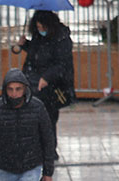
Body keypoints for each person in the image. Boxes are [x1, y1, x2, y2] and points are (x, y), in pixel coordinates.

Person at [14, 10, 75, 153]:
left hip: (52, 85)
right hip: (34, 82)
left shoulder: (61, 38)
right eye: (38, 27)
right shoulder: (39, 36)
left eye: (43, 27)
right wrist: (24, 44)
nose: (40, 30)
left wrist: (47, 77)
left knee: (48, 117)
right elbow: (38, 52)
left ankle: (49, 150)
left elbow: (62, 63)